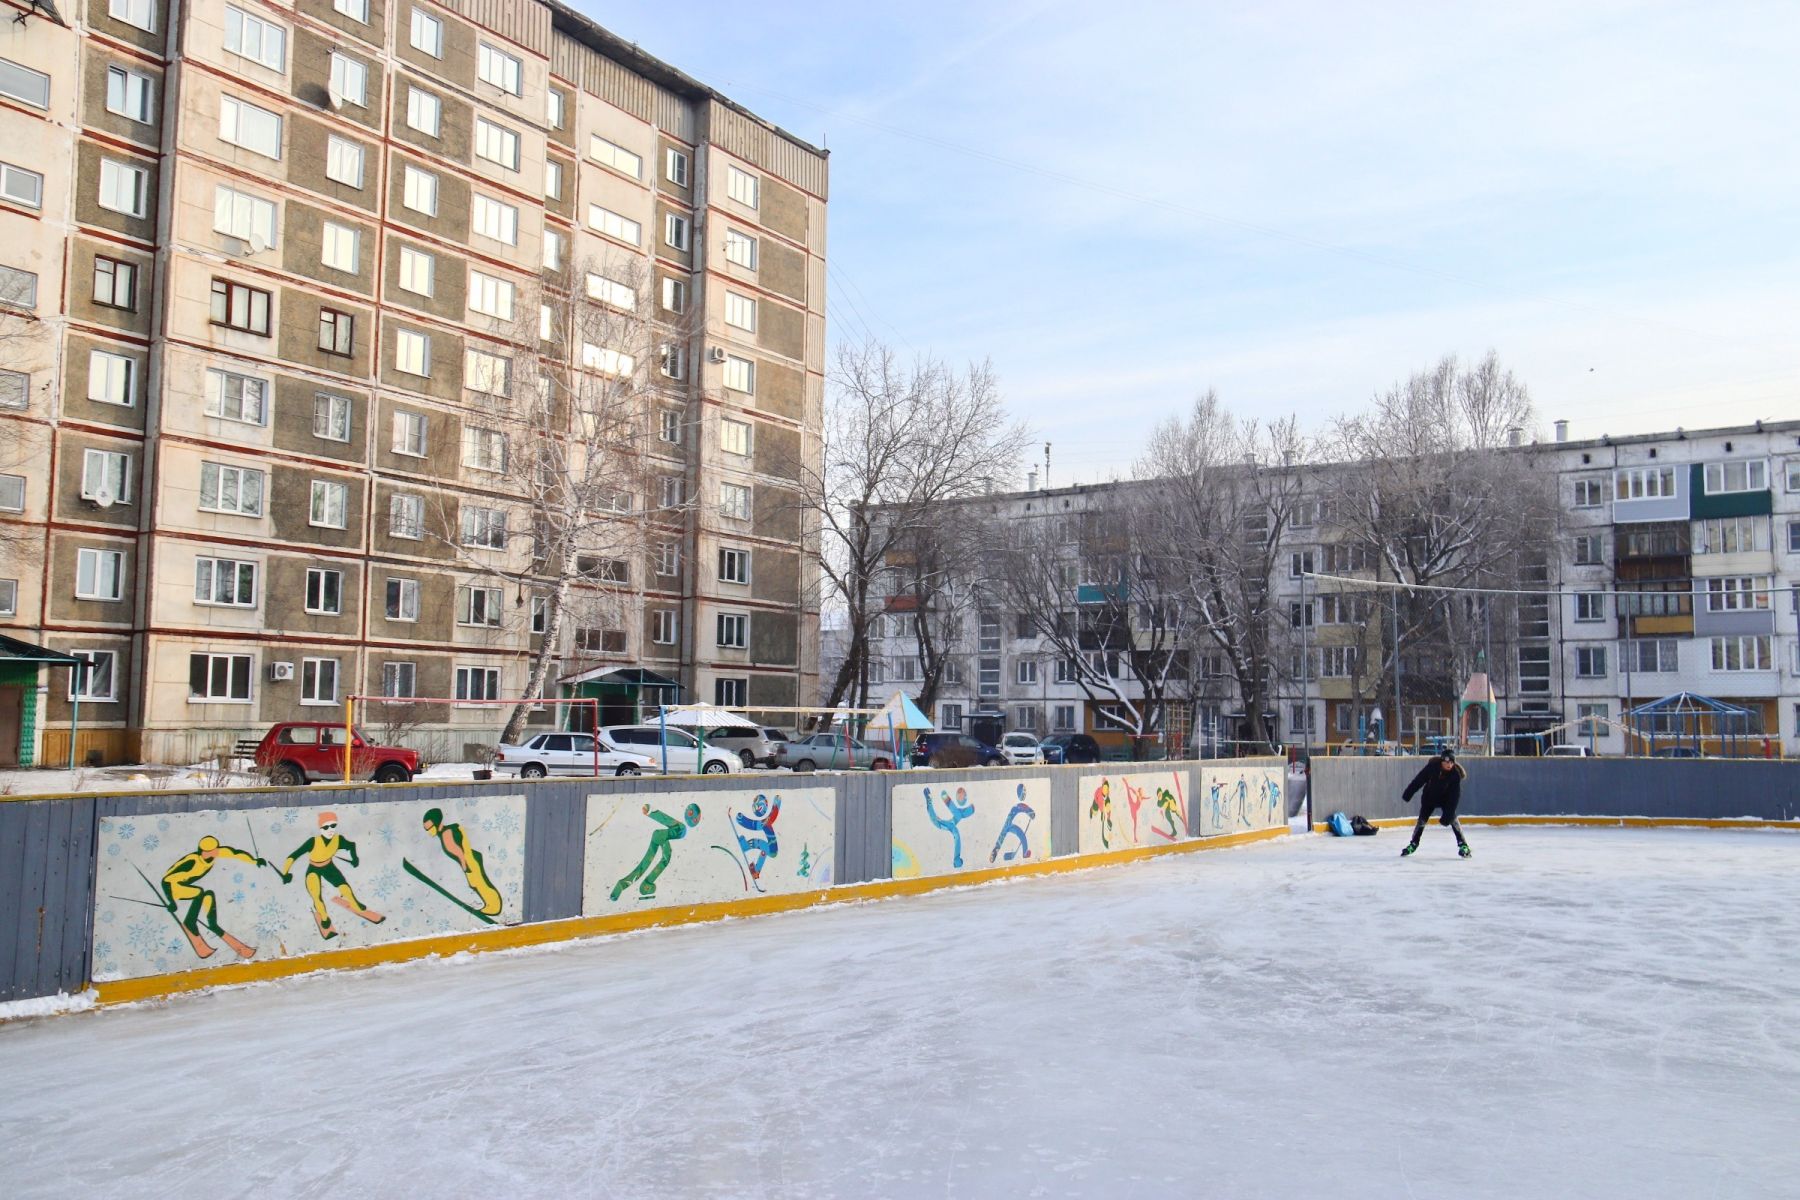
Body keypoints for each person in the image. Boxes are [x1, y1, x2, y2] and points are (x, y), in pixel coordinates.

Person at [1400, 749, 1471, 858]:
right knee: (1421, 821)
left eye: (1452, 762)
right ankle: (1414, 843)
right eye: (1447, 762)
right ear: (1442, 761)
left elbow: (1454, 797)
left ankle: (1463, 845)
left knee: (1453, 819)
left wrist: (1448, 815)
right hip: (1429, 798)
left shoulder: (1455, 775)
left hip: (1445, 799)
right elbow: (1419, 780)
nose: (1449, 765)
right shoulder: (1432, 768)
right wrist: (1408, 793)